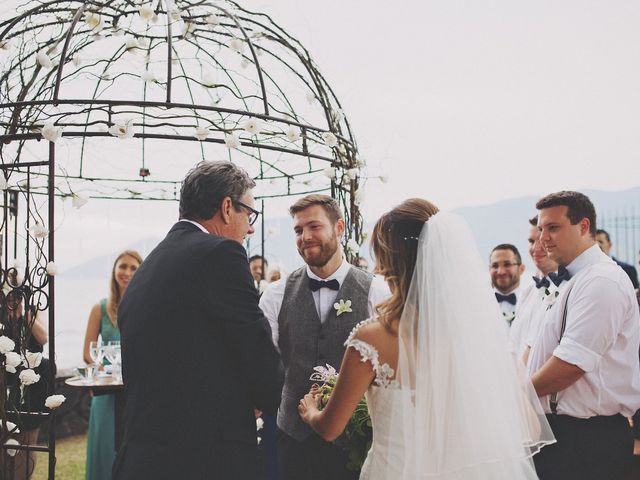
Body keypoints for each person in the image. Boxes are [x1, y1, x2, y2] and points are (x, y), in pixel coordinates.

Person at [298, 198, 555, 479]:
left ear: (387, 261)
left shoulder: (371, 339)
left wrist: (311, 411)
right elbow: (528, 427)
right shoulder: (477, 336)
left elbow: (331, 427)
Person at [113, 161, 283, 480]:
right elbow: (256, 349)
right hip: (203, 459)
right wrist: (270, 395)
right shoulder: (221, 254)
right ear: (227, 207)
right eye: (250, 214)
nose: (250, 228)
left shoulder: (148, 267)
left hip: (142, 458)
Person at [259, 194, 389, 480]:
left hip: (355, 442)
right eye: (298, 230)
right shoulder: (275, 295)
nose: (305, 236)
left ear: (339, 228)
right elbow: (264, 365)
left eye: (314, 227)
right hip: (292, 441)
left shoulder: (376, 292)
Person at [528, 191, 640, 480]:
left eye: (553, 227)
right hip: (561, 434)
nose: (544, 238)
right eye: (541, 229)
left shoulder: (601, 281)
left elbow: (569, 366)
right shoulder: (570, 280)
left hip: (588, 439)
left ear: (584, 226)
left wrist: (514, 397)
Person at [82, 250, 142, 480]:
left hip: (135, 389)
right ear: (114, 270)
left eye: (133, 268)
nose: (127, 272)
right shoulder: (100, 308)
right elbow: (88, 352)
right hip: (106, 390)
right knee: (105, 446)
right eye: (123, 266)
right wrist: (102, 372)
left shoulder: (143, 307)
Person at [2, 281, 49, 480]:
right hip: (6, 387)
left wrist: (24, 315)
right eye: (9, 298)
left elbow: (43, 338)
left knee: (28, 442)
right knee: (5, 443)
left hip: (32, 388)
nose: (13, 301)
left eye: (17, 297)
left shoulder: (31, 312)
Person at [510, 216, 559, 361]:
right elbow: (514, 343)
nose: (535, 248)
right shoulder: (527, 291)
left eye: (542, 241)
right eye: (531, 241)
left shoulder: (567, 287)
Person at [489, 244, 531, 326]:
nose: (501, 271)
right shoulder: (481, 303)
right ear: (489, 269)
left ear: (521, 269)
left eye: (507, 264)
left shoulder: (531, 302)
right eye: (495, 266)